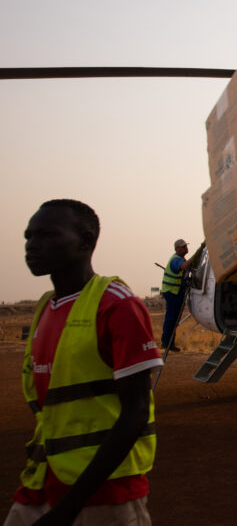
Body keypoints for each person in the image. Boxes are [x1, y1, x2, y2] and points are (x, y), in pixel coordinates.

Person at [6, 199, 162, 526]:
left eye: (47, 234)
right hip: (40, 485)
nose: (31, 245)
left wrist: (70, 507)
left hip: (105, 496)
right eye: (28, 236)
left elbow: (135, 412)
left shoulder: (116, 305)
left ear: (86, 242)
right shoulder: (45, 308)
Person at [159, 239, 192, 351]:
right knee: (171, 318)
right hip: (172, 292)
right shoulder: (176, 260)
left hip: (176, 291)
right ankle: (166, 342)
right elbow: (183, 266)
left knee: (174, 319)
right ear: (177, 249)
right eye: (183, 247)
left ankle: (169, 343)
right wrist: (196, 257)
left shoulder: (181, 259)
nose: (185, 248)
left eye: (186, 246)